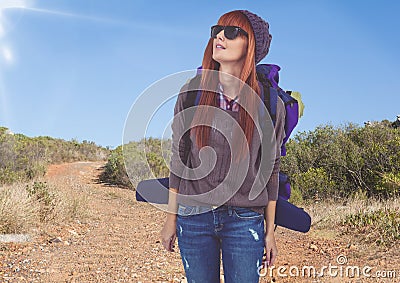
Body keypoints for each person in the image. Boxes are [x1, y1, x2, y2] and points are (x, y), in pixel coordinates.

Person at [161, 10, 285, 283]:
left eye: (231, 32)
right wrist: (171, 218)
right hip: (194, 217)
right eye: (217, 29)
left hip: (244, 219)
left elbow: (270, 167)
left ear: (250, 45)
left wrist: (270, 232)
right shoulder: (192, 92)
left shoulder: (268, 102)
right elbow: (178, 158)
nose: (219, 35)